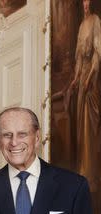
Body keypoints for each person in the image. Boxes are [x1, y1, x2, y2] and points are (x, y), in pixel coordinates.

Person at [66, 0, 101, 200]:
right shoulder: (81, 25)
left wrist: (88, 79)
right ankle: (83, 171)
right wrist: (76, 79)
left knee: (91, 128)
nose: (85, 4)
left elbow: (97, 53)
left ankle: (92, 175)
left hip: (92, 80)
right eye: (83, 1)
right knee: (82, 130)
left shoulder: (96, 21)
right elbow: (79, 58)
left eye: (88, 0)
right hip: (83, 82)